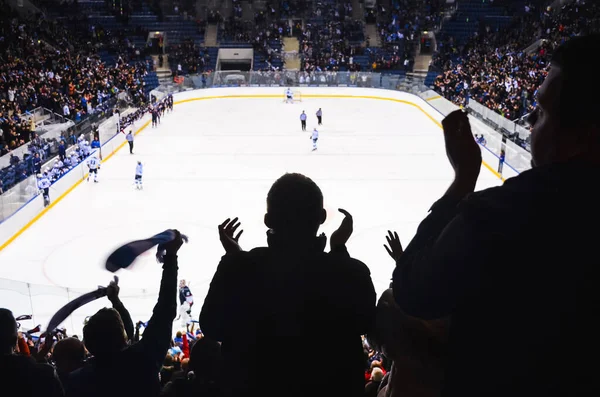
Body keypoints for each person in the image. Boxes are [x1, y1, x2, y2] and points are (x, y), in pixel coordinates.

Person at [392, 35, 600, 397]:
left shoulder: (504, 214)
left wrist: (463, 180)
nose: (531, 118)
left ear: (586, 133)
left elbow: (414, 291)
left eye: (544, 109)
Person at [201, 173, 376, 397]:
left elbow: (212, 325)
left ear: (268, 220)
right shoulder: (352, 272)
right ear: (322, 216)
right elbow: (366, 324)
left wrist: (234, 261)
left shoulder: (242, 268)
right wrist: (339, 250)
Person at [64, 231, 185, 397]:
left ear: (89, 345)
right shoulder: (143, 359)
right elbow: (165, 310)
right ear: (124, 337)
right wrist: (171, 257)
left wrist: (116, 302)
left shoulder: (76, 381)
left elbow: (164, 311)